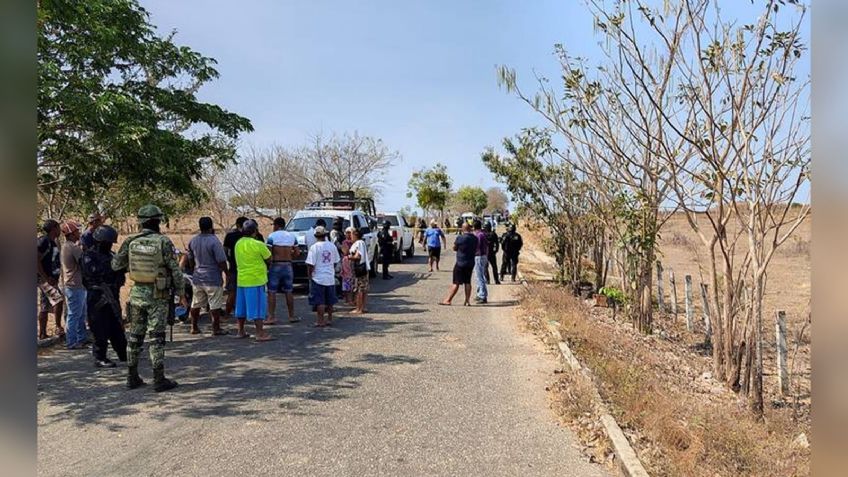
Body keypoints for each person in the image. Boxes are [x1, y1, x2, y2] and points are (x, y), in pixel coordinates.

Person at [112, 204, 187, 392]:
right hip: (158, 296)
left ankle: (131, 377)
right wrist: (182, 294)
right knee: (157, 337)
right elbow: (176, 271)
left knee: (135, 336)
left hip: (137, 294)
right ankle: (159, 379)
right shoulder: (163, 242)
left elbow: (115, 265)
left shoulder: (130, 241)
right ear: (157, 221)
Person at [82, 225, 127, 368]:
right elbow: (94, 274)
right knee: (99, 328)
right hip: (97, 297)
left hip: (112, 295)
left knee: (117, 326)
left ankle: (123, 352)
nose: (109, 245)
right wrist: (112, 271)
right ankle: (100, 357)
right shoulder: (89, 256)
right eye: (107, 242)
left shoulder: (112, 255)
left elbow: (120, 272)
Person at [185, 217, 229, 335]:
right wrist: (227, 273)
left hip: (198, 277)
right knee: (215, 304)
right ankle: (216, 328)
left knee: (196, 303)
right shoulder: (214, 241)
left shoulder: (193, 241)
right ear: (211, 227)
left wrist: (194, 268)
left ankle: (193, 327)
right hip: (212, 277)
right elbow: (221, 261)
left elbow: (190, 259)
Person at [233, 219, 273, 341]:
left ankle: (240, 331)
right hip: (256, 279)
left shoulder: (238, 243)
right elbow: (269, 258)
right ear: (255, 231)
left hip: (242, 279)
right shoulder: (258, 244)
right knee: (258, 308)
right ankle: (259, 333)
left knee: (241, 307)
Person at [266, 217, 300, 324]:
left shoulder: (272, 236)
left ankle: (271, 316)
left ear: (276, 225)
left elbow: (268, 253)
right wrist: (290, 258)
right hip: (288, 265)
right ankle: (291, 315)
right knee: (289, 291)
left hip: (276, 264)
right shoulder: (291, 236)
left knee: (272, 292)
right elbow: (297, 252)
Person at [60, 221, 88, 349]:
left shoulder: (67, 246)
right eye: (77, 231)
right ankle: (72, 342)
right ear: (71, 234)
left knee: (81, 314)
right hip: (74, 285)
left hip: (76, 285)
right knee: (74, 314)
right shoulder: (72, 247)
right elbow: (84, 261)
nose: (79, 233)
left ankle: (81, 339)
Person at [305, 226, 340, 327]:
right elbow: (335, 261)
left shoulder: (314, 247)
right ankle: (329, 319)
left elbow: (310, 264)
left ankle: (320, 320)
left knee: (320, 301)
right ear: (325, 235)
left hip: (318, 277)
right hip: (329, 276)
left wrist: (310, 275)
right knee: (330, 300)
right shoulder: (332, 246)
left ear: (315, 236)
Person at [37, 219, 65, 340]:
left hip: (50, 279)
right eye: (58, 227)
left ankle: (42, 333)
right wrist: (45, 277)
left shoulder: (53, 243)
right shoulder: (44, 241)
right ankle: (58, 327)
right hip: (43, 279)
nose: (60, 230)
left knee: (45, 305)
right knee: (58, 299)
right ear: (54, 228)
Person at [439, 223, 478, 306]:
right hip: (470, 262)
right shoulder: (475, 238)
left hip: (460, 263)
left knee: (456, 282)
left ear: (463, 229)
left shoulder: (460, 238)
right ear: (470, 229)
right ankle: (467, 300)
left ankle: (448, 300)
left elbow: (455, 248)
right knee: (468, 281)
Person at [223, 217, 248, 317]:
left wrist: (229, 260)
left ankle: (227, 314)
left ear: (237, 225)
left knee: (232, 292)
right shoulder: (250, 236)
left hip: (234, 266)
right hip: (247, 267)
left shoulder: (230, 236)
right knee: (247, 292)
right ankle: (246, 313)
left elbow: (224, 251)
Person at [348, 228, 370, 314]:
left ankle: (359, 308)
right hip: (362, 269)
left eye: (352, 234)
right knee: (363, 289)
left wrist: (349, 257)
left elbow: (358, 256)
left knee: (359, 289)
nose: (350, 236)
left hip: (359, 269)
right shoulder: (361, 243)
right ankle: (363, 307)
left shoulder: (359, 243)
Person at [472, 219, 489, 304]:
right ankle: (480, 293)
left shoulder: (479, 235)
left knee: (479, 277)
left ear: (474, 227)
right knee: (479, 276)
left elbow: (476, 247)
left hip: (479, 256)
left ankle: (483, 295)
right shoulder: (482, 234)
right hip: (483, 256)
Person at [340, 227, 355, 305]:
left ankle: (351, 299)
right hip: (346, 262)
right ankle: (348, 299)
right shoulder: (344, 242)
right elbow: (345, 252)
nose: (348, 234)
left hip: (353, 262)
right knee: (347, 280)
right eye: (347, 232)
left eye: (350, 233)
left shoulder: (355, 242)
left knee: (352, 281)